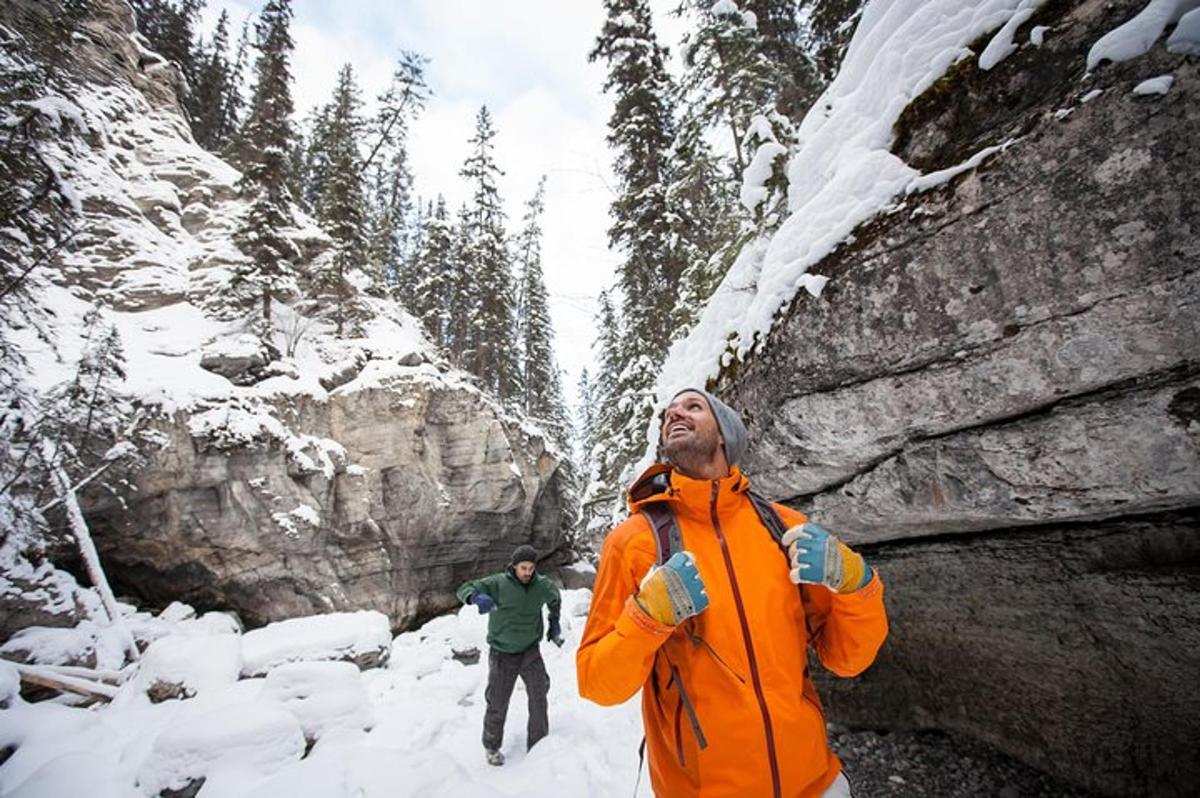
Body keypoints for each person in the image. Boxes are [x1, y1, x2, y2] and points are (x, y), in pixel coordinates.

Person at [577, 388, 888, 797]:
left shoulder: (783, 527)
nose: (675, 414)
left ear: (724, 434)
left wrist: (858, 584)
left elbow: (847, 660)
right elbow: (598, 683)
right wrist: (647, 618)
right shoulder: (634, 542)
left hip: (816, 783)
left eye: (693, 406)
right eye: (669, 412)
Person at [457, 544, 564, 766]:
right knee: (497, 701)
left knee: (539, 695)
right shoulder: (497, 583)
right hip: (502, 654)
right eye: (523, 568)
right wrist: (476, 597)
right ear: (514, 566)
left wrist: (554, 622)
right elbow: (464, 588)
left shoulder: (542, 586)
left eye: (531, 568)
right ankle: (492, 747)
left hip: (530, 651)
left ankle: (538, 745)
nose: (527, 572)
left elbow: (555, 598)